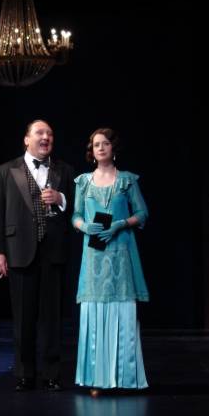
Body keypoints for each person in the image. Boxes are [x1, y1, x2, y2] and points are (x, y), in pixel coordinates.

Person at [0, 119, 75, 391]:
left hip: (53, 251)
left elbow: (78, 208)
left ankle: (51, 373)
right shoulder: (6, 171)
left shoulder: (64, 170)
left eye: (50, 133)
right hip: (19, 250)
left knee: (52, 317)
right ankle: (24, 373)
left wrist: (61, 199)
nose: (46, 137)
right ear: (26, 139)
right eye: (39, 132)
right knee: (23, 318)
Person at [71, 127, 149, 396]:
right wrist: (83, 226)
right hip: (94, 258)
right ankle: (96, 379)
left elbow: (142, 213)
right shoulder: (83, 182)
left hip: (121, 255)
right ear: (91, 151)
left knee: (123, 313)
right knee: (94, 315)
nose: (101, 148)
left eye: (105, 143)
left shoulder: (127, 180)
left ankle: (125, 379)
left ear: (113, 147)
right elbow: (75, 215)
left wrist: (120, 224)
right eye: (96, 145)